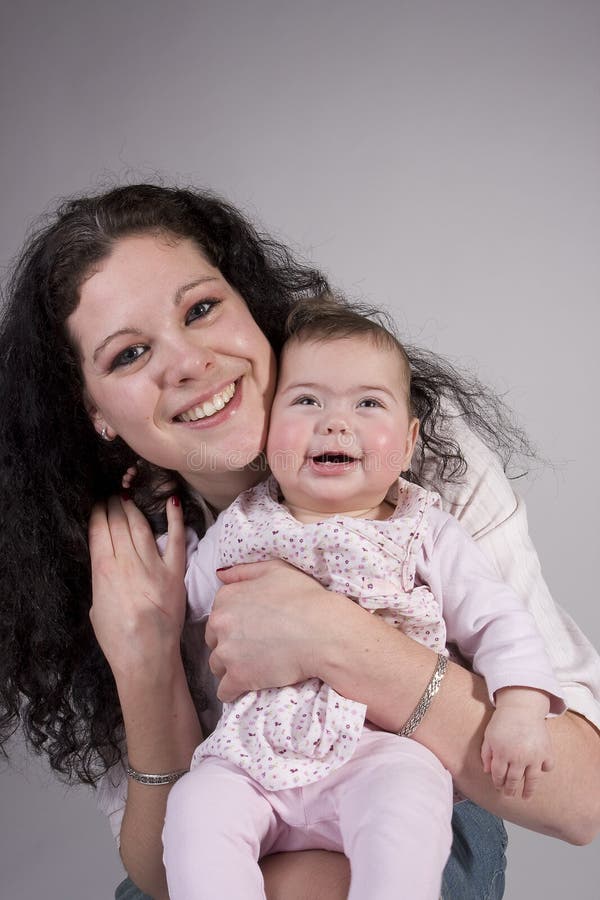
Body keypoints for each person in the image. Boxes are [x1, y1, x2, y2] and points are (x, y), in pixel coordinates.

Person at [0, 184, 598, 900]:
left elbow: (580, 798)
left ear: (250, 305)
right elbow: (160, 873)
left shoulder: (412, 466)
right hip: (241, 799)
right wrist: (146, 659)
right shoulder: (118, 551)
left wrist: (330, 637)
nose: (187, 363)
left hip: (405, 792)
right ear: (94, 412)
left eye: (200, 309)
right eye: (129, 355)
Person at [160, 299, 565, 900]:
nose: (334, 422)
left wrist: (523, 706)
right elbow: (182, 597)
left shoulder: (424, 530)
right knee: (196, 804)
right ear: (268, 433)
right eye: (306, 401)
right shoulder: (245, 521)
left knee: (409, 795)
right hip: (252, 756)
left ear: (406, 444)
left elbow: (498, 619)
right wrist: (158, 529)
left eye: (367, 402)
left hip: (376, 749)